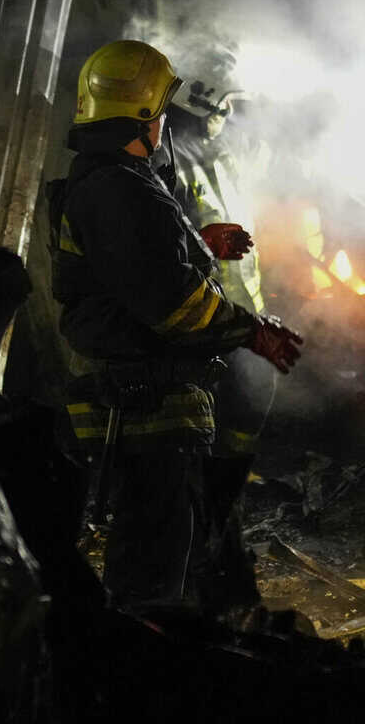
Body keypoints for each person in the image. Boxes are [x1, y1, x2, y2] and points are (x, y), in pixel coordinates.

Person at [48, 39, 303, 609]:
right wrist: (251, 331)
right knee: (151, 566)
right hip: (146, 402)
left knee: (162, 546)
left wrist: (200, 244)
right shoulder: (121, 188)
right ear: (143, 117)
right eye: (160, 110)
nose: (166, 121)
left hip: (145, 394)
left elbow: (143, 266)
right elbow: (176, 306)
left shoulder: (114, 180)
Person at [164, 51, 278, 610]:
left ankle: (220, 530)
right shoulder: (166, 160)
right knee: (199, 441)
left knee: (248, 414)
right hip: (199, 330)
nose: (230, 118)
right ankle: (200, 559)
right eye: (225, 107)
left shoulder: (221, 155)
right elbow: (160, 256)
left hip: (239, 320)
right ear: (200, 106)